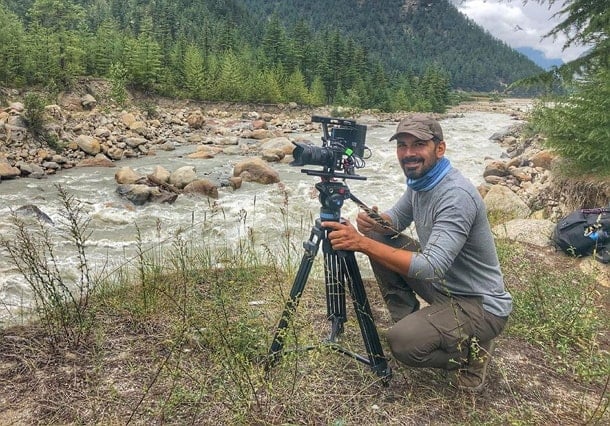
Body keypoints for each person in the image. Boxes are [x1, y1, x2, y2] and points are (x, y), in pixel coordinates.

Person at [322, 114, 512, 391]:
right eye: (402, 145)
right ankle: (415, 321)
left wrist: (360, 243)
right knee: (378, 234)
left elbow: (431, 266)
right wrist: (374, 221)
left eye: (418, 144)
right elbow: (396, 219)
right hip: (445, 286)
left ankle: (470, 354)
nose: (408, 153)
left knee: (402, 344)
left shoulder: (455, 195)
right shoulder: (422, 181)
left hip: (479, 303)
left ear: (440, 148)